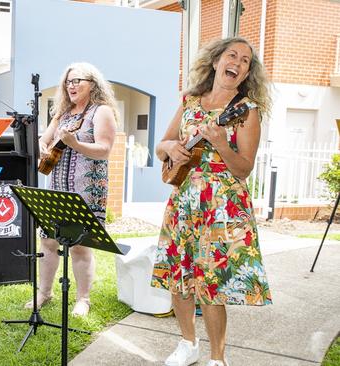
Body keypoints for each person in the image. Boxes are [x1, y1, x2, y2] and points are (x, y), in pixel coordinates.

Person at [151, 37, 272, 366]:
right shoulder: (191, 100)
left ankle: (218, 358)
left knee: (211, 285)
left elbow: (244, 168)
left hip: (221, 206)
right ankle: (188, 343)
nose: (238, 62)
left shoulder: (245, 111)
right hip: (183, 201)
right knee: (178, 277)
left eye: (245, 61)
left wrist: (220, 142)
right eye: (232, 55)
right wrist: (170, 150)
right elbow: (162, 144)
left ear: (246, 73)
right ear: (217, 61)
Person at [29, 62, 117, 317]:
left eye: (77, 80)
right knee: (47, 240)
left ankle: (83, 299)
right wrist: (42, 148)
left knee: (79, 245)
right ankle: (44, 293)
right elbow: (42, 141)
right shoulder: (62, 114)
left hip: (86, 189)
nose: (71, 86)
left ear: (93, 84)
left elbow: (104, 149)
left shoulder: (101, 112)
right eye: (68, 81)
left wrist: (75, 143)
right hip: (56, 187)